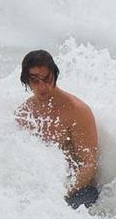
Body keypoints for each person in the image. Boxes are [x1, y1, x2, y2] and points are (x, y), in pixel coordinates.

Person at [14, 50, 100, 208]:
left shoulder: (77, 111)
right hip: (44, 189)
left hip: (81, 190)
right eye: (34, 80)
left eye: (46, 79)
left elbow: (89, 165)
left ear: (55, 75)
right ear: (26, 81)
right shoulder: (24, 113)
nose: (42, 87)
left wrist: (60, 194)